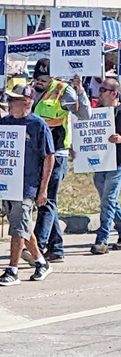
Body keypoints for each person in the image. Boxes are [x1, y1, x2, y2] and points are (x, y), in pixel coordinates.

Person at [27, 58, 91, 264]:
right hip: (36, 154)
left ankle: (39, 246)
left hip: (57, 153)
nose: (39, 83)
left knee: (46, 200)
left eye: (44, 80)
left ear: (53, 77)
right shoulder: (31, 91)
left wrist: (80, 91)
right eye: (37, 79)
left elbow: (84, 114)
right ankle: (57, 248)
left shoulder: (64, 91)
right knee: (47, 201)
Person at [0, 84, 55, 286]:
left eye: (14, 100)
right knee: (23, 225)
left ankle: (12, 270)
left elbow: (48, 157)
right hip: (7, 183)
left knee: (19, 227)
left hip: (27, 184)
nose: (9, 104)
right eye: (9, 100)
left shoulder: (38, 125)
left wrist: (43, 189)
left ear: (27, 101)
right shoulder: (5, 123)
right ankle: (40, 262)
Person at [89, 78, 121, 254]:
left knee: (108, 200)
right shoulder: (98, 112)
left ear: (114, 93)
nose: (99, 93)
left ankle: (102, 239)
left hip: (117, 163)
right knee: (108, 200)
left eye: (103, 90)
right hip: (101, 162)